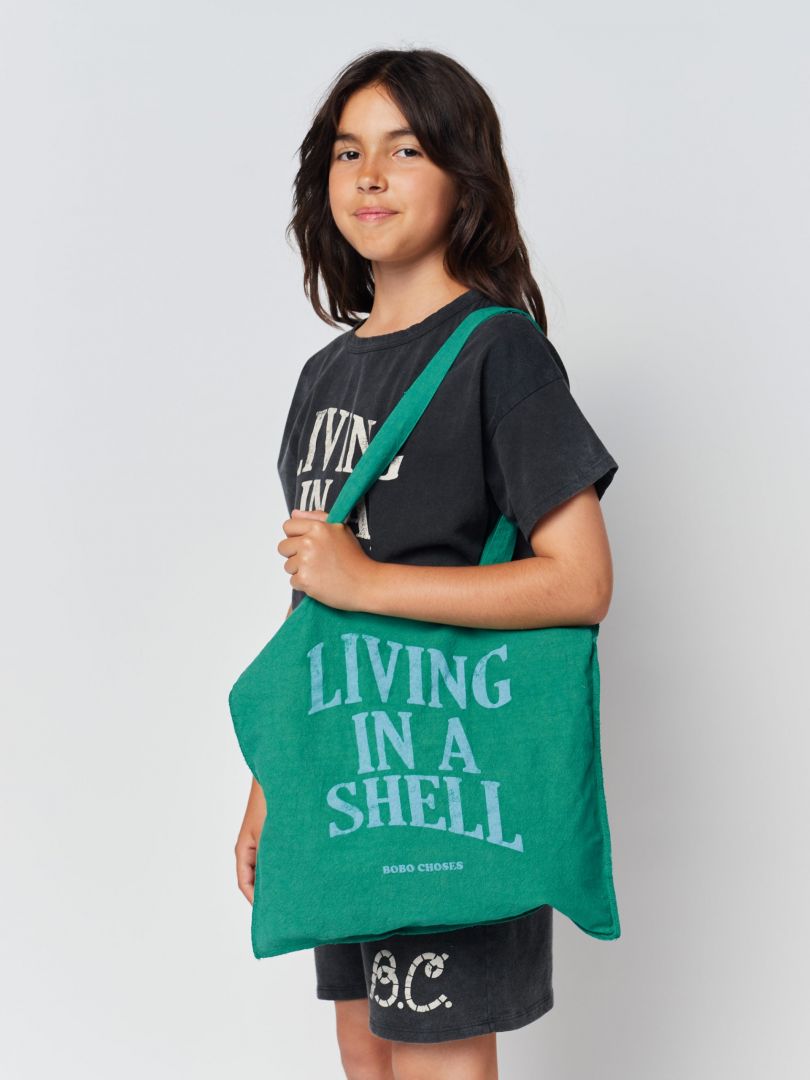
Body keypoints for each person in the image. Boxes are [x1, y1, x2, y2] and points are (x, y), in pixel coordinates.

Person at [235, 47, 618, 1080]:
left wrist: (369, 582)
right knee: (365, 1046)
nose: (370, 175)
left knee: (435, 1052)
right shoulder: (325, 375)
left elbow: (581, 580)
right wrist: (274, 780)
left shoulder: (501, 353)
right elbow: (315, 595)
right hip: (345, 776)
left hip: (452, 777)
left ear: (463, 176)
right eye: (348, 152)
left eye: (405, 150)